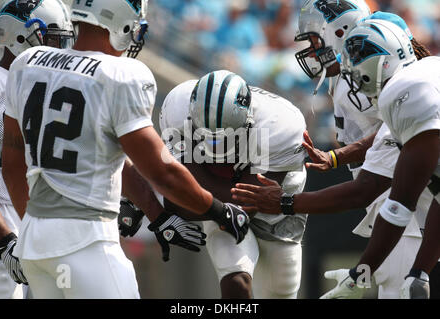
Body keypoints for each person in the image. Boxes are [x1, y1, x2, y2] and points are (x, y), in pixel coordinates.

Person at [1, 0, 248, 299]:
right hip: (86, 242)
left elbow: (12, 163)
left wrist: (39, 228)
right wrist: (218, 210)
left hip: (35, 242)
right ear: (122, 21)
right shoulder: (122, 74)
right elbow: (162, 171)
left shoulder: (27, 63)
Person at [231, 0, 438, 298]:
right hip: (409, 193)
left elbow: (373, 183)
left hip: (404, 195)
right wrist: (336, 157)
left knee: (399, 288)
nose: (311, 48)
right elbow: (390, 135)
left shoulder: (398, 89)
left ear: (338, 31)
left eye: (316, 38)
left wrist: (286, 202)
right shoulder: (412, 77)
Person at [154, 70, 308, 299]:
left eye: (225, 136)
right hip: (217, 203)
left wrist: (193, 194)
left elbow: (249, 203)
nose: (216, 147)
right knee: (236, 281)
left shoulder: (281, 124)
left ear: (248, 121)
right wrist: (190, 198)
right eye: (205, 135)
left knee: (281, 289)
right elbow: (177, 198)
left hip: (275, 204)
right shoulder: (178, 106)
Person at [339, 19, 439, 299]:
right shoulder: (430, 69)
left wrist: (361, 272)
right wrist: (420, 272)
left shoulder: (404, 90)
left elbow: (397, 205)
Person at [0, 0, 75, 299]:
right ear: (17, 35)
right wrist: (4, 240)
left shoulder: (50, 90)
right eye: (52, 39)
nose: (59, 50)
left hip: (38, 234)